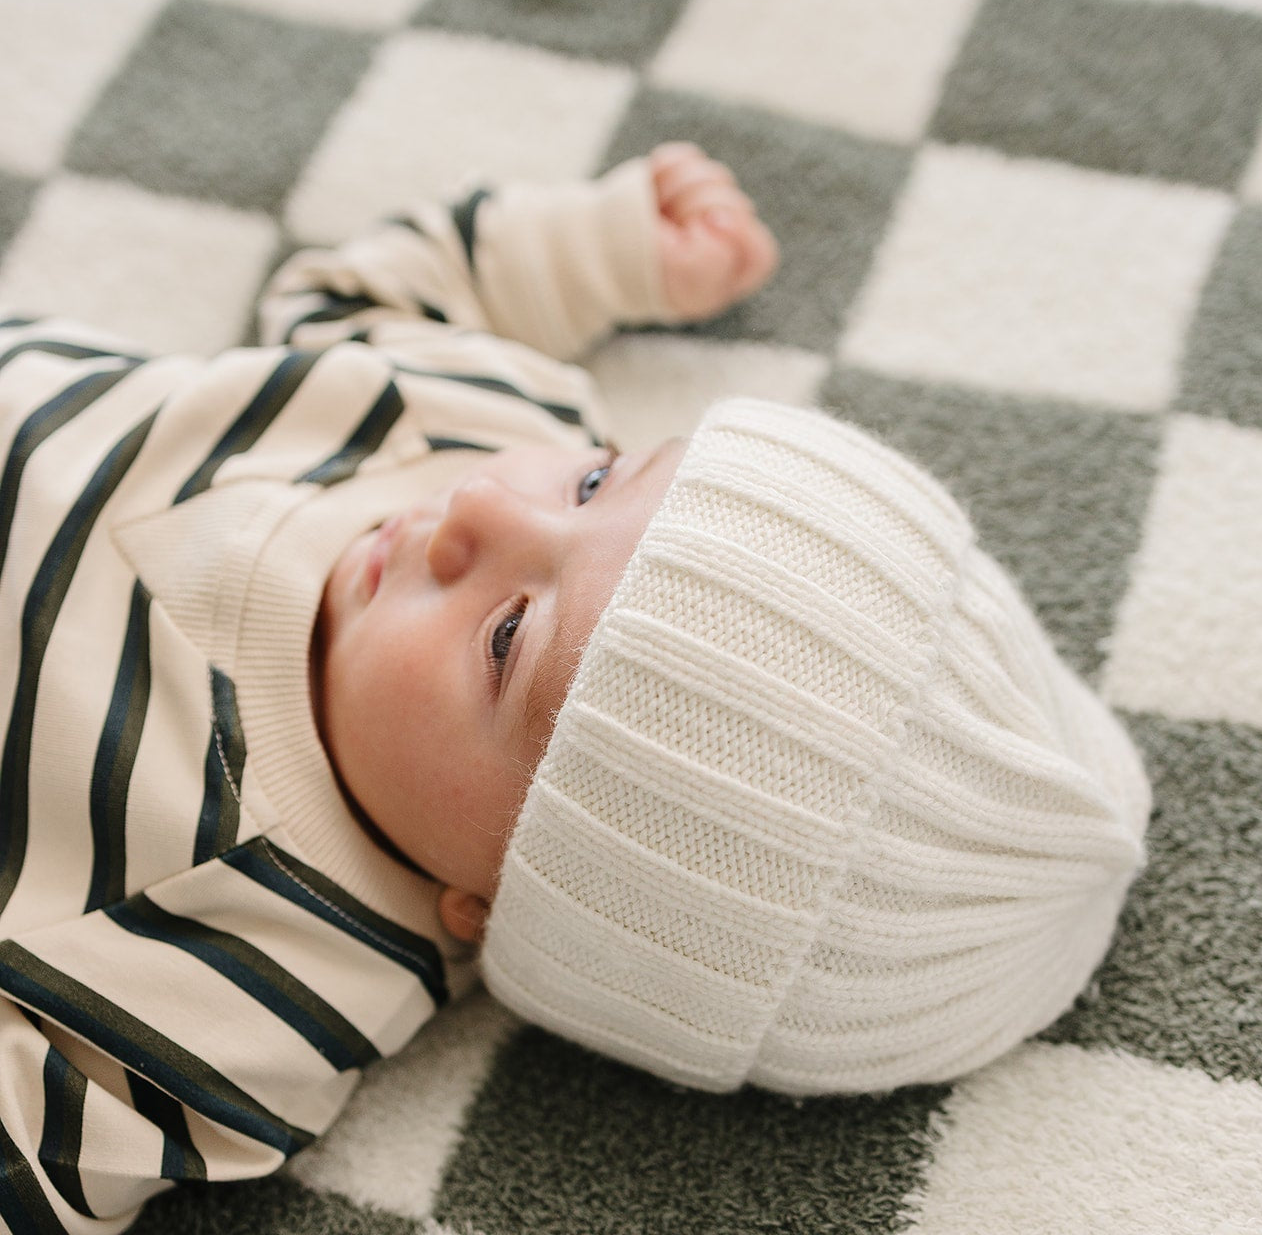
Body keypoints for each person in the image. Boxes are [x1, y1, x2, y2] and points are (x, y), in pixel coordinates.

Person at [0, 143, 1148, 1232]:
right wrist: (603, 251)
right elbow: (372, 292)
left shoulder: (246, 977)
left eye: (505, 638)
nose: (485, 512)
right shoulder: (477, 423)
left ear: (493, 904)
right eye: (600, 476)